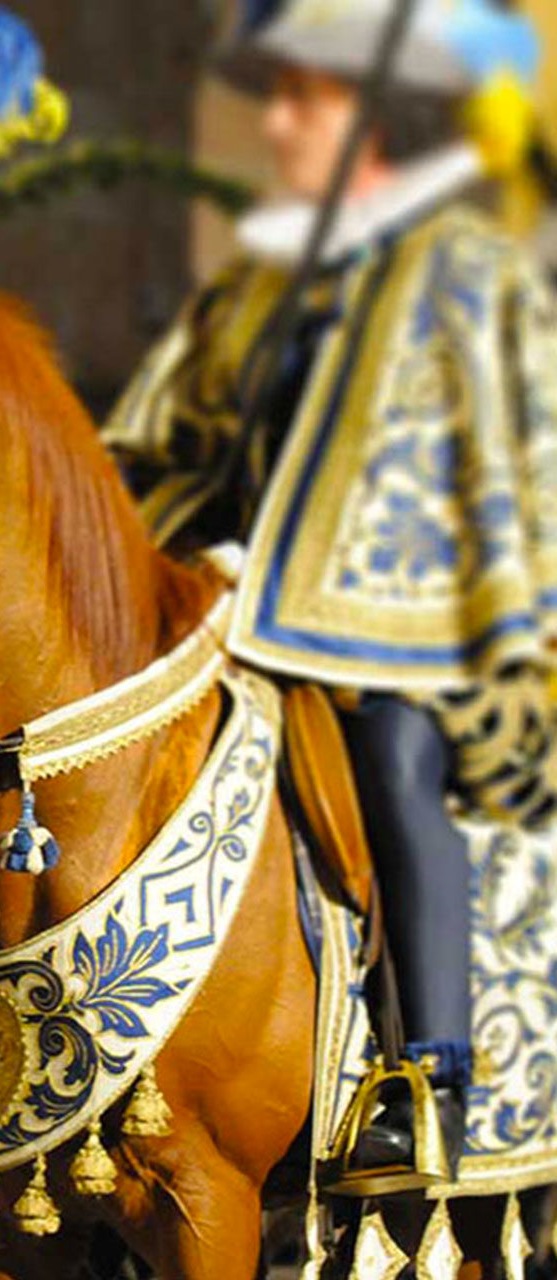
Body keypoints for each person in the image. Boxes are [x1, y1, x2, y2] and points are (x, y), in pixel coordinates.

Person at [102, 0, 553, 1190]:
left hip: (408, 627)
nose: (278, 121)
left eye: (309, 98)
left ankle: (429, 1070)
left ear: (380, 121)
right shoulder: (263, 278)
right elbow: (170, 436)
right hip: (225, 599)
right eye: (280, 96)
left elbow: (498, 466)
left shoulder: (463, 270)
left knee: (397, 754)